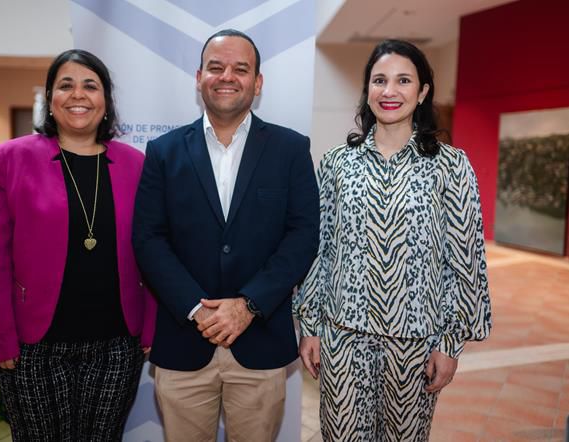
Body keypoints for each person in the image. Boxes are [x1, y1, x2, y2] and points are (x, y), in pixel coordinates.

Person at [294, 39, 492, 441]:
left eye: (403, 80)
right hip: (343, 338)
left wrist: (450, 343)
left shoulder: (451, 166)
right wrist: (310, 325)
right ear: (367, 90)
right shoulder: (336, 164)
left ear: (422, 92)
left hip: (416, 344)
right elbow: (320, 251)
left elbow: (465, 260)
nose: (390, 91)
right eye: (379, 80)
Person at [132, 29, 319, 442]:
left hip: (260, 342)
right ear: (199, 77)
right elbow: (148, 238)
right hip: (184, 340)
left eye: (241, 68)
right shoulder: (163, 151)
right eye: (216, 67)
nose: (227, 76)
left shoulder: (290, 149)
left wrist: (249, 305)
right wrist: (196, 309)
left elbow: (303, 235)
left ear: (258, 82)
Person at [0, 49, 156, 441]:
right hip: (33, 345)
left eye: (90, 85)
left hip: (115, 345)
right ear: (50, 99)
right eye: (65, 85)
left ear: (105, 101)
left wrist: (151, 326)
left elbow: (153, 248)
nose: (78, 95)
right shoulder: (11, 159)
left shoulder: (135, 164)